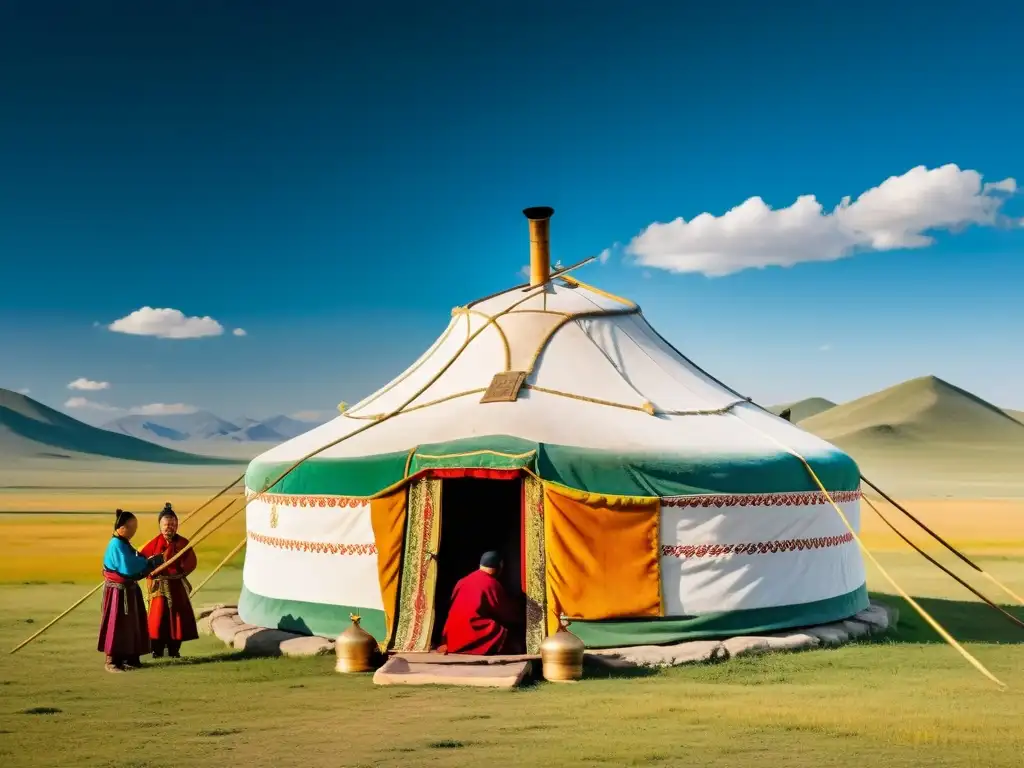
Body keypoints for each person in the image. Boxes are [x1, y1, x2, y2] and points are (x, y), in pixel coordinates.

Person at [98, 510, 163, 673]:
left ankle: (131, 658)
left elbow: (135, 559)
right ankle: (112, 661)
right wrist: (148, 564)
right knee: (117, 625)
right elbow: (128, 567)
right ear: (122, 527)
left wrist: (146, 561)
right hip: (117, 593)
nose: (134, 531)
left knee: (132, 624)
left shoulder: (124, 542)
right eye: (131, 527)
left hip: (129, 590)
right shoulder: (116, 545)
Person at [139, 503, 199, 659]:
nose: (169, 528)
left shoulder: (183, 544)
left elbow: (191, 562)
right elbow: (142, 562)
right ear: (160, 525)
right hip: (158, 587)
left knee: (177, 618)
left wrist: (179, 570)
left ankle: (174, 650)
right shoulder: (152, 544)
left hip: (176, 585)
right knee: (157, 619)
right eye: (166, 524)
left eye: (172, 524)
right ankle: (156, 650)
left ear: (176, 525)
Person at [439, 551, 523, 655]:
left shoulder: (462, 581)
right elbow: (506, 612)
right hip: (472, 631)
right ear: (500, 566)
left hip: (451, 636)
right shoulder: (491, 583)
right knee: (506, 636)